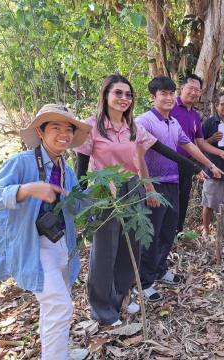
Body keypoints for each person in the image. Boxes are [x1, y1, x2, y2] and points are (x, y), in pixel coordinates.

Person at [75, 74, 202, 324]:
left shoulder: (133, 126)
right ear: (106, 95)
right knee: (104, 252)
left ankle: (120, 298)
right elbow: (81, 169)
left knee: (129, 248)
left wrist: (194, 167)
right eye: (118, 93)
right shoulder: (91, 126)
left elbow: (160, 148)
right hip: (105, 193)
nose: (124, 98)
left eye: (128, 94)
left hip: (134, 190)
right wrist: (81, 201)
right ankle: (101, 309)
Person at [0, 104, 92, 360]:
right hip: (34, 246)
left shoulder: (66, 167)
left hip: (62, 243)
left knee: (53, 307)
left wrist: (101, 193)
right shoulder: (21, 162)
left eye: (68, 129)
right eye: (55, 127)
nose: (64, 134)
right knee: (60, 307)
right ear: (40, 132)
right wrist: (26, 189)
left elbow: (74, 203)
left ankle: (56, 351)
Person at [136, 76, 224, 302]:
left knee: (168, 229)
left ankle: (160, 269)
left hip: (173, 181)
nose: (168, 97)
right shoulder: (144, 122)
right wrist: (148, 188)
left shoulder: (173, 123)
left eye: (170, 93)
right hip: (154, 184)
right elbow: (137, 158)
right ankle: (144, 282)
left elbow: (190, 146)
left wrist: (210, 164)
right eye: (162, 94)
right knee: (151, 233)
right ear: (153, 97)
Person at [170, 74, 224, 235]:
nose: (193, 92)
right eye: (190, 88)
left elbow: (200, 143)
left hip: (187, 164)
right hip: (167, 163)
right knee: (167, 201)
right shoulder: (170, 107)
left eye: (197, 90)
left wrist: (221, 152)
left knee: (183, 199)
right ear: (181, 88)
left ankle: (177, 233)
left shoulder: (195, 115)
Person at [201, 91, 224, 237]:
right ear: (216, 105)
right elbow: (199, 145)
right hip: (213, 168)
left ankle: (221, 228)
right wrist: (211, 139)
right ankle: (205, 229)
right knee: (209, 202)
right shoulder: (210, 123)